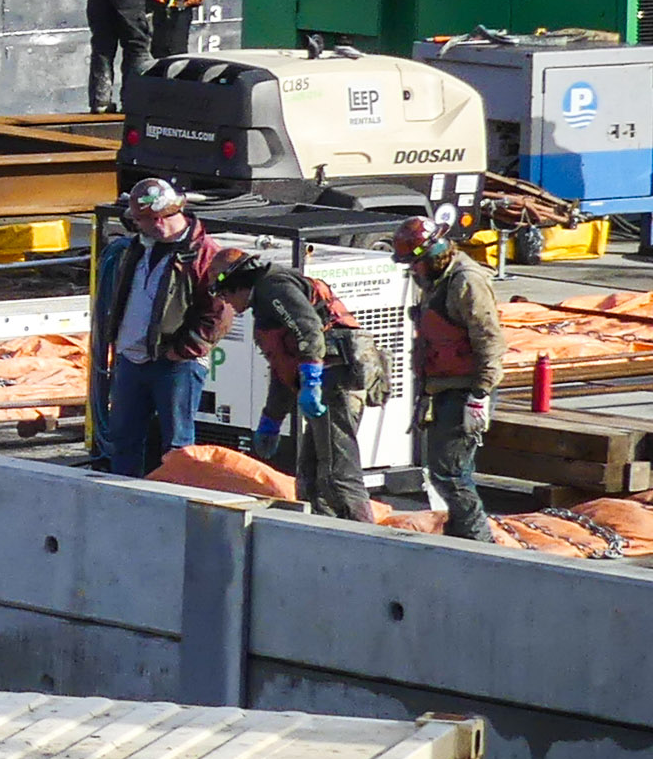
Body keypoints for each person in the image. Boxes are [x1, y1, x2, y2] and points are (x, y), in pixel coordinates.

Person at [213, 255, 377, 523]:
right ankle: (322, 530)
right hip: (324, 380)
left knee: (337, 471)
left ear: (236, 283)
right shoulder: (264, 305)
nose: (225, 302)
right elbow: (284, 365)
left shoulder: (274, 287)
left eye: (224, 294)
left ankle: (363, 537)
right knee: (310, 475)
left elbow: (308, 330)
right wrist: (272, 419)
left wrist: (312, 381)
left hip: (335, 379)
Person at [89, 176, 236, 476]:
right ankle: (123, 499)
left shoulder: (206, 254)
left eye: (141, 221)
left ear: (158, 219)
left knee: (178, 447)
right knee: (123, 439)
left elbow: (220, 312)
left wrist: (182, 351)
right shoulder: (138, 248)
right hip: (131, 359)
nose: (137, 227)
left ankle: (174, 502)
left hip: (176, 366)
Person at [399, 212, 506, 544]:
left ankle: (479, 542)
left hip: (466, 390)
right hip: (444, 388)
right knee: (443, 471)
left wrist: (480, 395)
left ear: (429, 256)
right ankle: (461, 537)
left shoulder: (466, 281)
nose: (411, 271)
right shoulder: (435, 281)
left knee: (452, 472)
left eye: (413, 263)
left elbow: (488, 339)